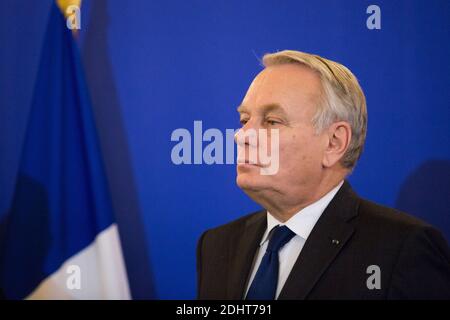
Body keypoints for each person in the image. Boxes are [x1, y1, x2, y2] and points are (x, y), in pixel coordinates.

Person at [196, 50, 450, 299]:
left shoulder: (401, 249)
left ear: (334, 143)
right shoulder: (217, 245)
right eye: (244, 120)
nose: (241, 136)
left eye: (272, 121)